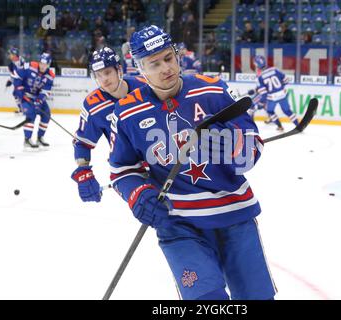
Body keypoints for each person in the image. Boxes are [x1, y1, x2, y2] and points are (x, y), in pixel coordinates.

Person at [109, 25, 276, 300]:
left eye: (169, 58)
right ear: (140, 68)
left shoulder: (214, 91)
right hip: (178, 221)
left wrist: (232, 145)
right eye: (154, 63)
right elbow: (122, 171)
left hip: (234, 213)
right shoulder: (128, 112)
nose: (166, 68)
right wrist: (138, 195)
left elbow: (253, 148)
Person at [71, 47, 146, 203]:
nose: (103, 79)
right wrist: (83, 170)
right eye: (98, 75)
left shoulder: (145, 88)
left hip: (162, 159)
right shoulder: (94, 105)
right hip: (127, 167)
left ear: (119, 70)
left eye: (107, 72)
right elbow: (82, 142)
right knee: (148, 208)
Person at [13, 52, 54, 149]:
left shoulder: (50, 75)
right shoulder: (29, 66)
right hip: (25, 96)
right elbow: (17, 75)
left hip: (37, 97)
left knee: (46, 114)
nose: (42, 66)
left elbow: (46, 91)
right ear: (39, 62)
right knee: (31, 115)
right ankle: (27, 139)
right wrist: (19, 90)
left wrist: (39, 100)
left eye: (45, 64)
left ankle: (40, 137)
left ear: (48, 65)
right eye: (41, 63)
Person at [253, 55, 298, 132]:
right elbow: (286, 80)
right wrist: (280, 88)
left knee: (270, 111)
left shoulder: (260, 77)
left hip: (272, 97)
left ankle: (280, 126)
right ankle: (298, 125)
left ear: (257, 65)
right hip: (282, 94)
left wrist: (261, 103)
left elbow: (264, 94)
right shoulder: (275, 70)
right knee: (287, 111)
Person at [6, 47, 26, 114]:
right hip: (17, 82)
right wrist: (10, 80)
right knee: (15, 94)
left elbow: (24, 72)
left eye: (10, 54)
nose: (9, 55)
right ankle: (21, 109)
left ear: (14, 54)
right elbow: (14, 74)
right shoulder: (11, 64)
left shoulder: (21, 61)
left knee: (21, 94)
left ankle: (25, 109)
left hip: (22, 82)